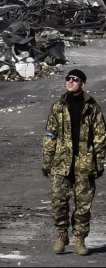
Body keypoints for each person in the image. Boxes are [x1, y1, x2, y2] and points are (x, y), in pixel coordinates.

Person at [42, 69, 106, 256]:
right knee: (58, 202)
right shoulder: (57, 107)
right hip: (61, 163)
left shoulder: (92, 107)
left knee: (84, 204)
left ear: (82, 84)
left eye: (75, 79)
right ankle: (62, 234)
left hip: (84, 164)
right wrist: (47, 160)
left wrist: (99, 162)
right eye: (68, 79)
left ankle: (79, 239)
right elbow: (49, 135)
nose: (70, 82)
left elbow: (100, 137)